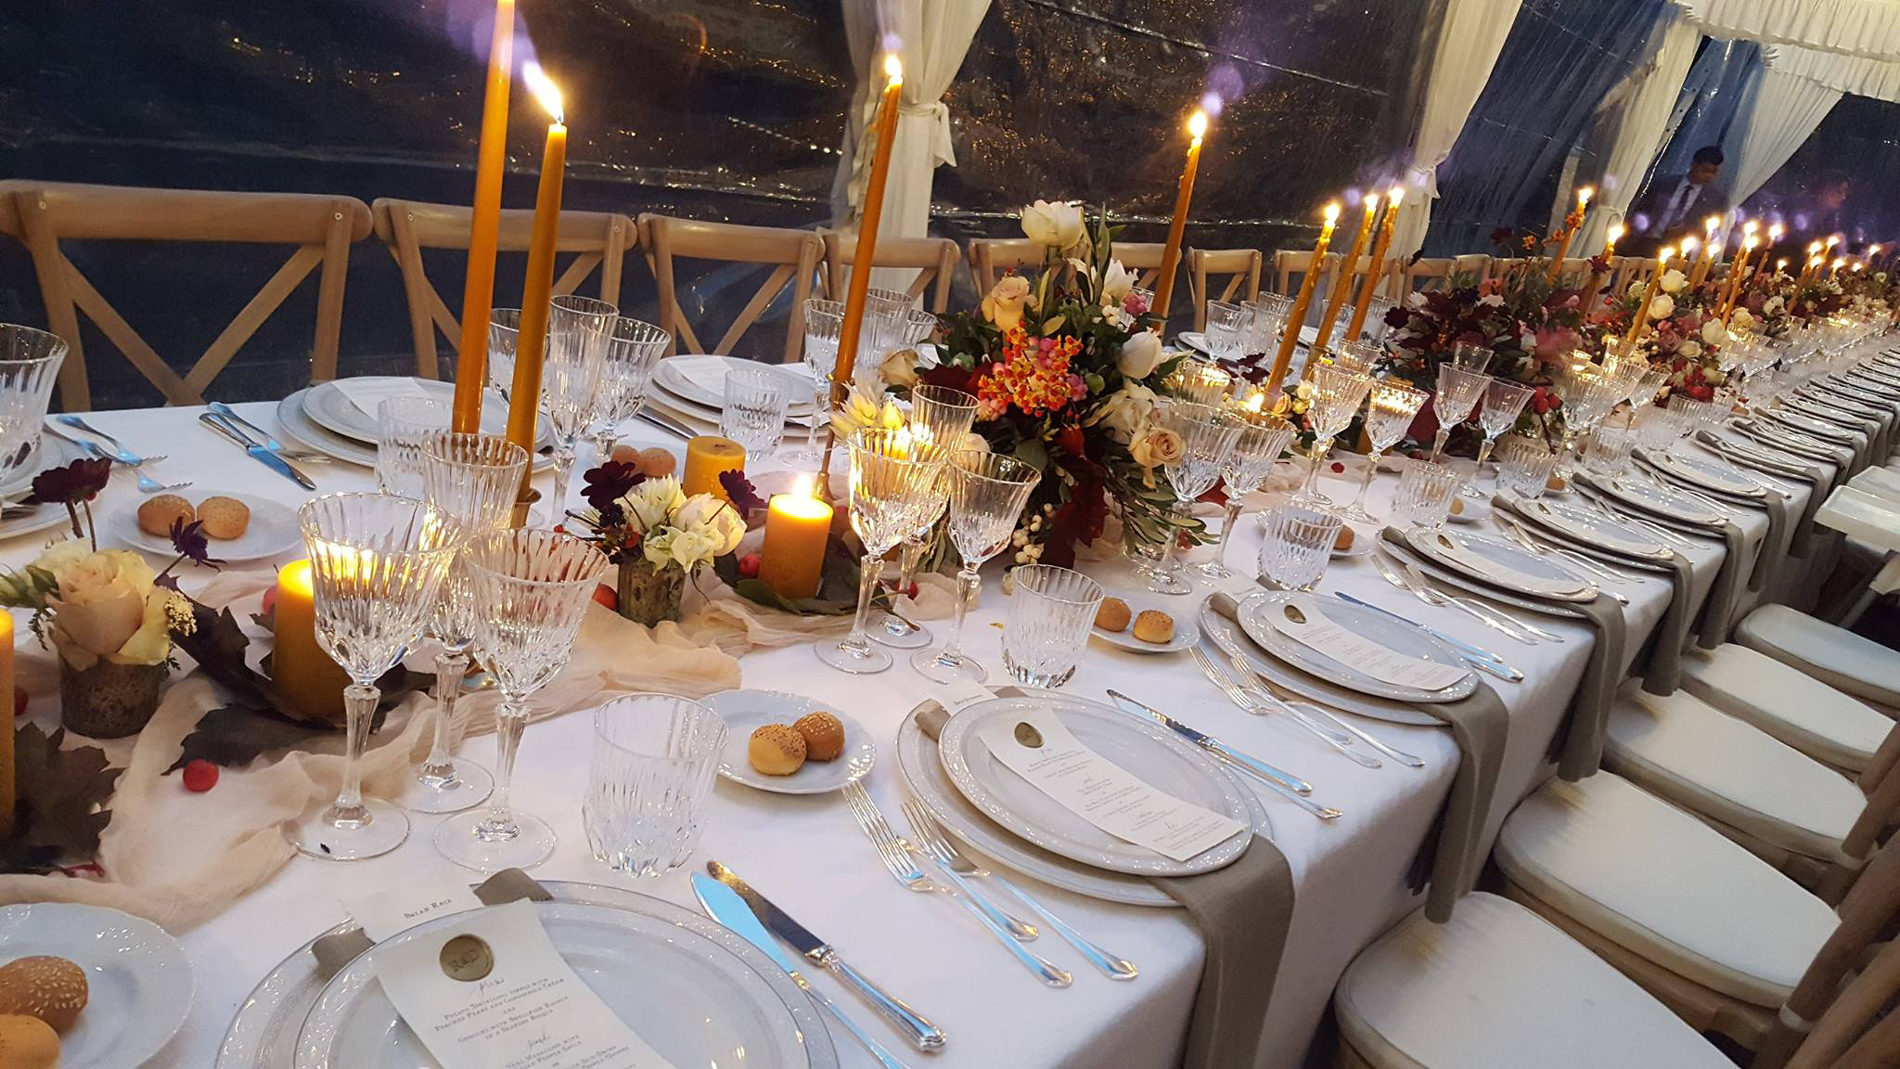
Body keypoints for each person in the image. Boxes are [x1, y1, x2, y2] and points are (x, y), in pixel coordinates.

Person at [1628, 145, 1730, 253]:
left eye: (1713, 172)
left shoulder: (1716, 199)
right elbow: (1641, 210)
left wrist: (1687, 230)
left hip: (1679, 250)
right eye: (1705, 170)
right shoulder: (1663, 184)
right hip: (1646, 242)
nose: (1709, 175)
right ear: (1694, 165)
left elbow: (1710, 230)